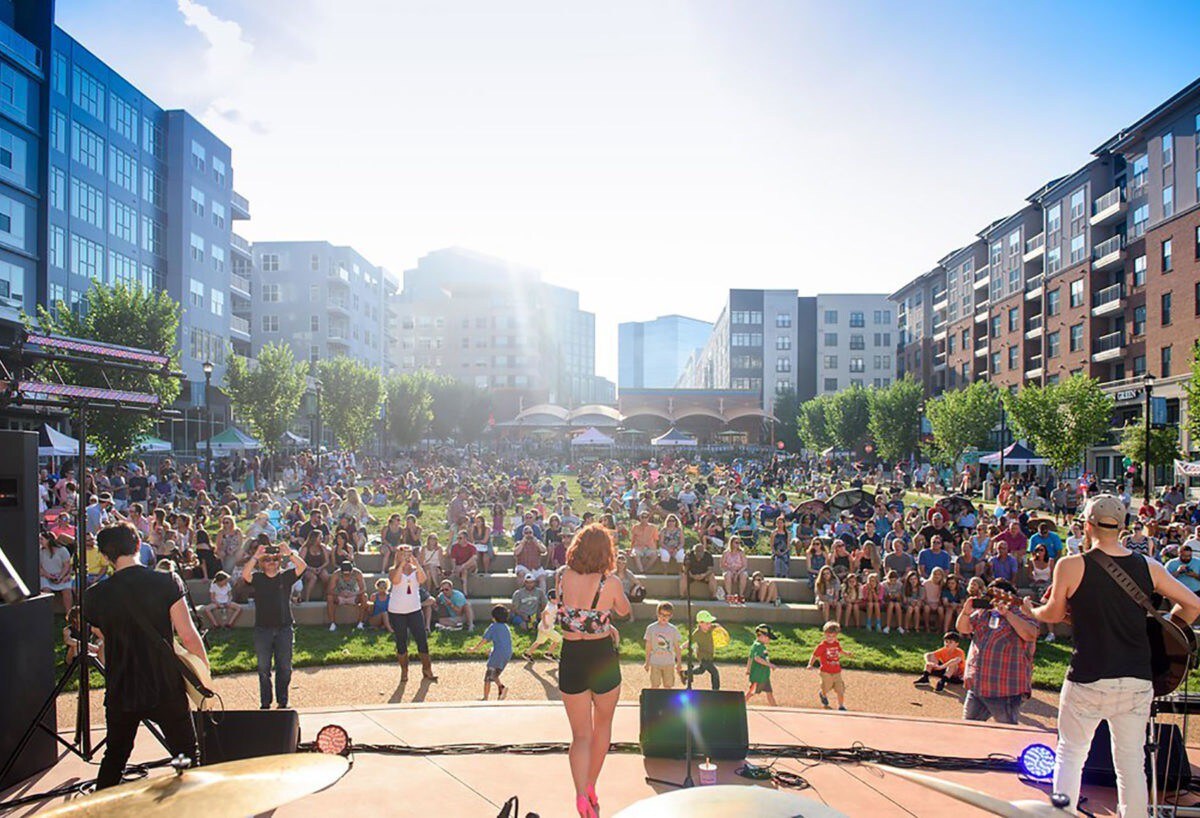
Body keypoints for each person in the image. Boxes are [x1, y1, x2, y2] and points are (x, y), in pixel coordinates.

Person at [1033, 495, 1200, 816]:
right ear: (1123, 527)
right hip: (1136, 678)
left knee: (1071, 754)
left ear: (1087, 524)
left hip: (1088, 677)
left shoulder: (1071, 565)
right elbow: (1192, 604)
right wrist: (1163, 632)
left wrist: (1032, 609)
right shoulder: (1148, 566)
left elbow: (1053, 614)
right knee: (1130, 765)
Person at [84, 522, 208, 788]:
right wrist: (204, 674)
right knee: (186, 756)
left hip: (122, 686)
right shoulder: (166, 581)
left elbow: (102, 634)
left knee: (115, 757)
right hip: (164, 683)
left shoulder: (94, 595)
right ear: (138, 544)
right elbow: (187, 635)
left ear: (105, 556)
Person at [556, 524, 631, 818]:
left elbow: (575, 616)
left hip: (571, 656)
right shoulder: (609, 582)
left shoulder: (562, 575)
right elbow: (623, 610)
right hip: (601, 657)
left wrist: (602, 622)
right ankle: (590, 786)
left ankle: (579, 794)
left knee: (580, 735)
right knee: (603, 726)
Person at [956, 578, 1037, 725]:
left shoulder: (1021, 613)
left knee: (1007, 732)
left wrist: (1007, 614)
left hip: (1004, 689)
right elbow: (963, 628)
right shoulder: (983, 612)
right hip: (977, 686)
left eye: (997, 595)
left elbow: (1030, 634)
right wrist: (966, 612)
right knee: (968, 730)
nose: (992, 599)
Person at [242, 539, 307, 710]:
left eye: (275, 559)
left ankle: (283, 700)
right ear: (262, 564)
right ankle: (265, 702)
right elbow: (245, 574)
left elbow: (302, 567)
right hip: (262, 629)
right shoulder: (258, 578)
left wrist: (289, 553)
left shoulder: (285, 577)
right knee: (264, 669)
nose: (272, 562)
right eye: (268, 560)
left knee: (284, 667)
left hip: (284, 628)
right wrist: (256, 556)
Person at [389, 545, 438, 682]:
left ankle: (427, 669)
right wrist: (402, 565)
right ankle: (404, 671)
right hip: (397, 611)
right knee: (401, 640)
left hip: (414, 609)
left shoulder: (416, 570)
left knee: (421, 639)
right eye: (404, 554)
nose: (407, 556)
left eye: (409, 553)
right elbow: (396, 580)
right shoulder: (393, 570)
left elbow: (422, 580)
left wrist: (416, 563)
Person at [469, 604, 513, 700]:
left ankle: (485, 698)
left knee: (488, 677)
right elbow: (504, 642)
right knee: (495, 674)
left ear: (494, 617)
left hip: (497, 654)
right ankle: (501, 688)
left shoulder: (493, 627)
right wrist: (492, 649)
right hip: (507, 654)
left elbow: (484, 640)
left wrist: (475, 649)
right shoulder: (506, 627)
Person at [808, 620, 851, 710]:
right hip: (825, 671)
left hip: (837, 671)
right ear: (824, 634)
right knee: (826, 687)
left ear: (836, 635)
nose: (830, 638)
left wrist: (845, 653)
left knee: (840, 690)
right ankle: (822, 694)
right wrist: (810, 664)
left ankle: (841, 706)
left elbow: (839, 650)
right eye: (828, 635)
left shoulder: (836, 643)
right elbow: (815, 655)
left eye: (833, 636)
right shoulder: (822, 646)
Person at [644, 601, 683, 689]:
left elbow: (677, 647)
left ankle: (667, 702)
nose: (664, 617)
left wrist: (679, 663)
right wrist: (647, 662)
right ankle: (655, 701)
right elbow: (648, 646)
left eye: (667, 615)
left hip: (669, 662)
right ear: (658, 614)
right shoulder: (651, 628)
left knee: (668, 685)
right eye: (662, 614)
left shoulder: (673, 629)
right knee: (655, 684)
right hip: (655, 662)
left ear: (671, 616)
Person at [326, 559, 369, 632]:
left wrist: (353, 594)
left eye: (348, 574)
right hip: (340, 596)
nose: (346, 576)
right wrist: (340, 594)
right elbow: (330, 590)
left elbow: (364, 588)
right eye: (344, 574)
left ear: (352, 571)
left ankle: (360, 623)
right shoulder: (336, 574)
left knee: (364, 596)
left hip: (353, 596)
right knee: (329, 597)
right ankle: (332, 623)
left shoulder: (358, 573)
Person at [683, 610, 722, 689]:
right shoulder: (697, 634)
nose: (709, 625)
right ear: (700, 623)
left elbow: (717, 626)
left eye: (710, 622)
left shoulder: (711, 628)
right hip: (703, 656)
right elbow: (689, 642)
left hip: (709, 655)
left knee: (701, 671)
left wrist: (719, 628)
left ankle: (686, 673)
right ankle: (716, 690)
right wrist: (681, 647)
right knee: (714, 672)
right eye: (707, 623)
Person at [524, 589, 563, 661]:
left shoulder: (553, 604)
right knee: (558, 639)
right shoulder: (550, 607)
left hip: (543, 627)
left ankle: (527, 653)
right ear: (551, 599)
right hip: (546, 628)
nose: (557, 600)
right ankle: (549, 653)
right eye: (556, 598)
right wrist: (545, 624)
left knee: (539, 641)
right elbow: (543, 614)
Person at [745, 624, 778, 707]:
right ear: (762, 636)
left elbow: (750, 657)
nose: (769, 640)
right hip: (759, 676)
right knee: (751, 692)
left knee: (769, 693)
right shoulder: (760, 646)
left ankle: (775, 708)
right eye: (768, 638)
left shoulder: (756, 645)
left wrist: (748, 669)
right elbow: (757, 658)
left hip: (763, 676)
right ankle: (740, 704)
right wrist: (770, 665)